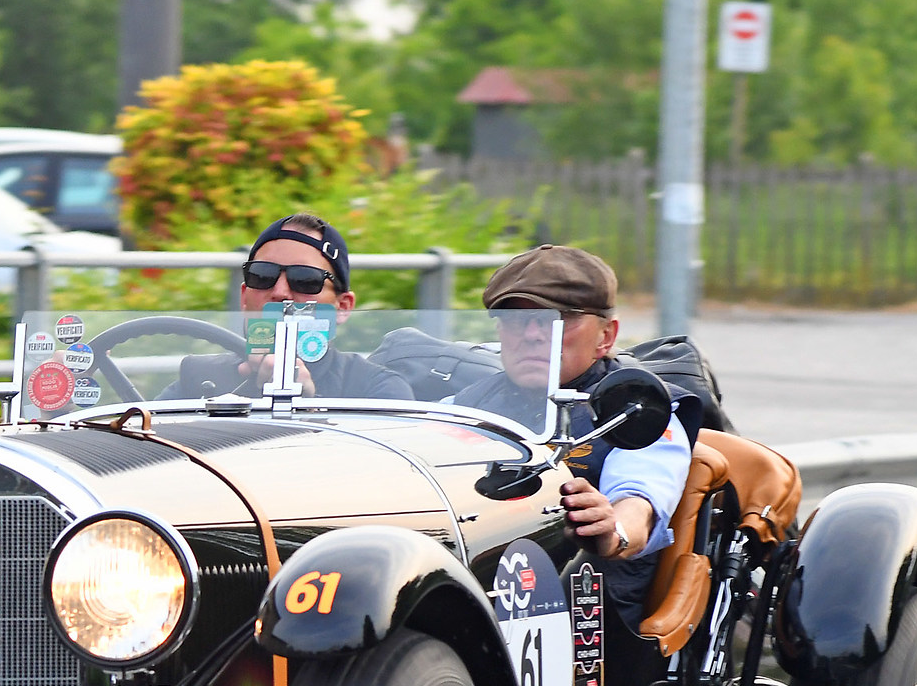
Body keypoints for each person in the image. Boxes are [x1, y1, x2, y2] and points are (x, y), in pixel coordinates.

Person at [453, 244, 698, 580]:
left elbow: (640, 497)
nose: (533, 335)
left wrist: (612, 528)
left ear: (606, 336)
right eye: (516, 319)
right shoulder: (462, 405)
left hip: (588, 603)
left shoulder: (638, 409)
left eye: (559, 319)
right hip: (477, 582)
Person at [167, 214, 414, 402]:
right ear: (244, 298)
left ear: (342, 307)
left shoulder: (375, 389)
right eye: (262, 275)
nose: (280, 292)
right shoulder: (197, 377)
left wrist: (309, 406)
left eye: (305, 279)